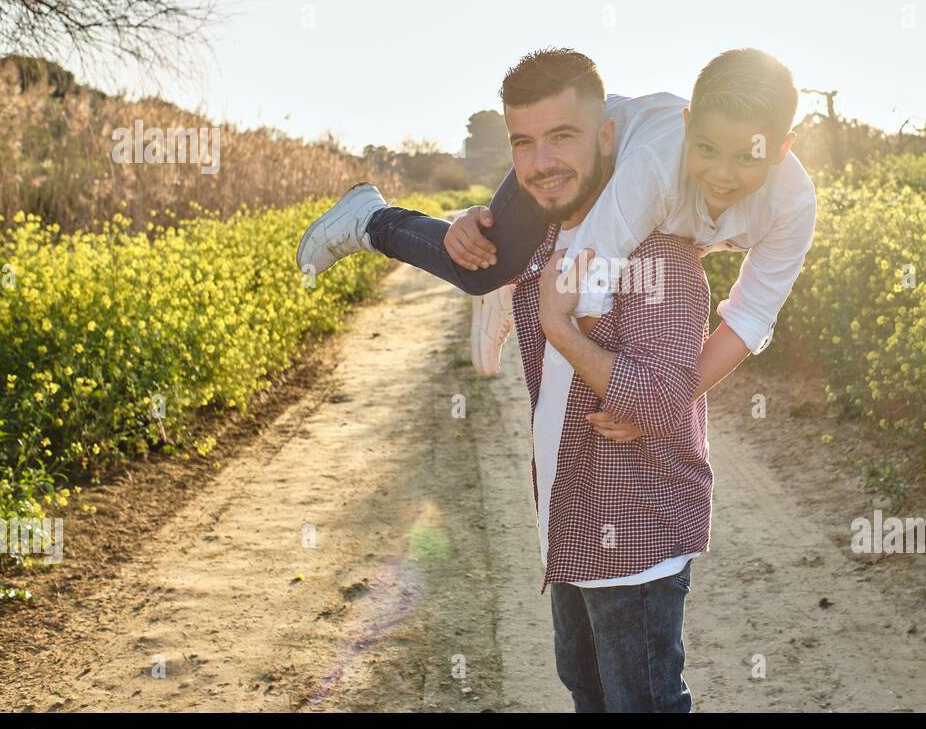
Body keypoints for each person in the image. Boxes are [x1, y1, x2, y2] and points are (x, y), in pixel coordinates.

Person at [295, 49, 817, 445]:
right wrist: (620, 387)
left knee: (632, 270)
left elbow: (749, 319)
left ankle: (508, 272)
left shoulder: (792, 206)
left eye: (745, 159)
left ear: (783, 149)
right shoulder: (654, 168)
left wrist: (663, 403)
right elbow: (580, 277)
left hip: (640, 191)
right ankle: (373, 218)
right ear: (687, 128)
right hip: (577, 148)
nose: (722, 175)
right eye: (706, 150)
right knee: (486, 264)